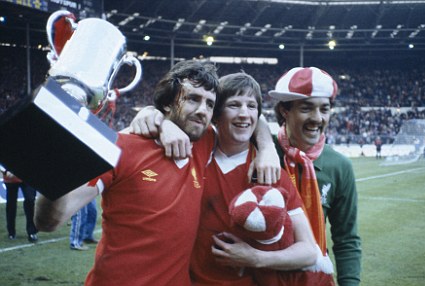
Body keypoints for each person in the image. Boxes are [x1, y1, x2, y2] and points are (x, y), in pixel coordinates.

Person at [34, 60, 276, 286]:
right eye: (193, 99)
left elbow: (253, 118)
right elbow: (49, 221)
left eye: (210, 104)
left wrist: (267, 149)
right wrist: (55, 163)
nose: (203, 111)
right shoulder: (123, 146)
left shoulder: (203, 144)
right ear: (168, 103)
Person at [190, 72, 334, 285]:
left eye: (251, 106)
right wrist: (150, 115)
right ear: (216, 113)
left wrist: (255, 258)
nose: (243, 114)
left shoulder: (271, 170)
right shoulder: (195, 155)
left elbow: (308, 252)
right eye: (234, 105)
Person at [268, 67, 362, 286]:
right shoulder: (261, 150)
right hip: (261, 276)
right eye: (306, 108)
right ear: (284, 110)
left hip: (313, 278)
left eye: (324, 109)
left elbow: (346, 239)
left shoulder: (340, 167)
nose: (317, 118)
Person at [0, 166, 38, 242]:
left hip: (28, 175)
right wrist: (5, 171)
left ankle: (31, 231)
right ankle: (11, 232)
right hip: (10, 177)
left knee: (30, 200)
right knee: (11, 205)